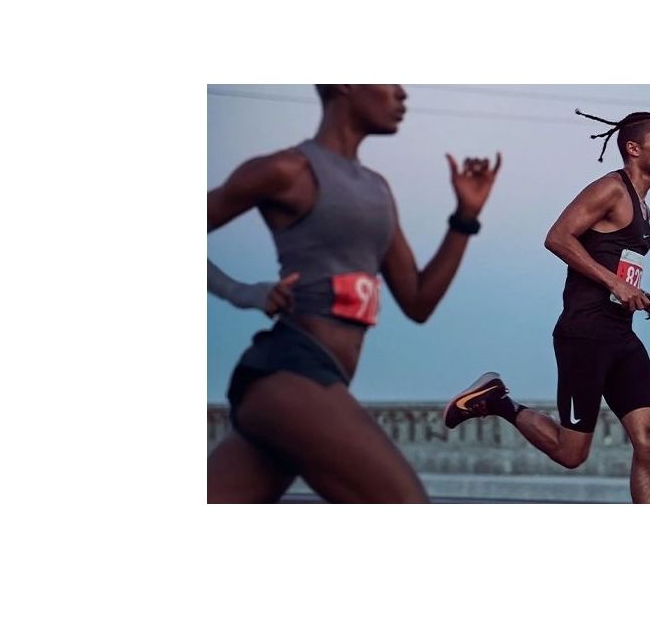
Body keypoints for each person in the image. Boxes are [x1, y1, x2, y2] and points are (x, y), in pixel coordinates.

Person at [207, 84, 502, 503]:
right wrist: (245, 293)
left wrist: (465, 218)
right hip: (289, 373)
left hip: (316, 382)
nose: (402, 94)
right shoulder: (287, 170)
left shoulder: (376, 189)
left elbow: (418, 300)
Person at [444, 109, 650, 504]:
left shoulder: (644, 209)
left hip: (621, 336)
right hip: (585, 335)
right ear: (633, 147)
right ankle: (499, 401)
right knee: (571, 454)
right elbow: (557, 237)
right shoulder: (610, 189)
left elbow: (618, 274)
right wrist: (615, 284)